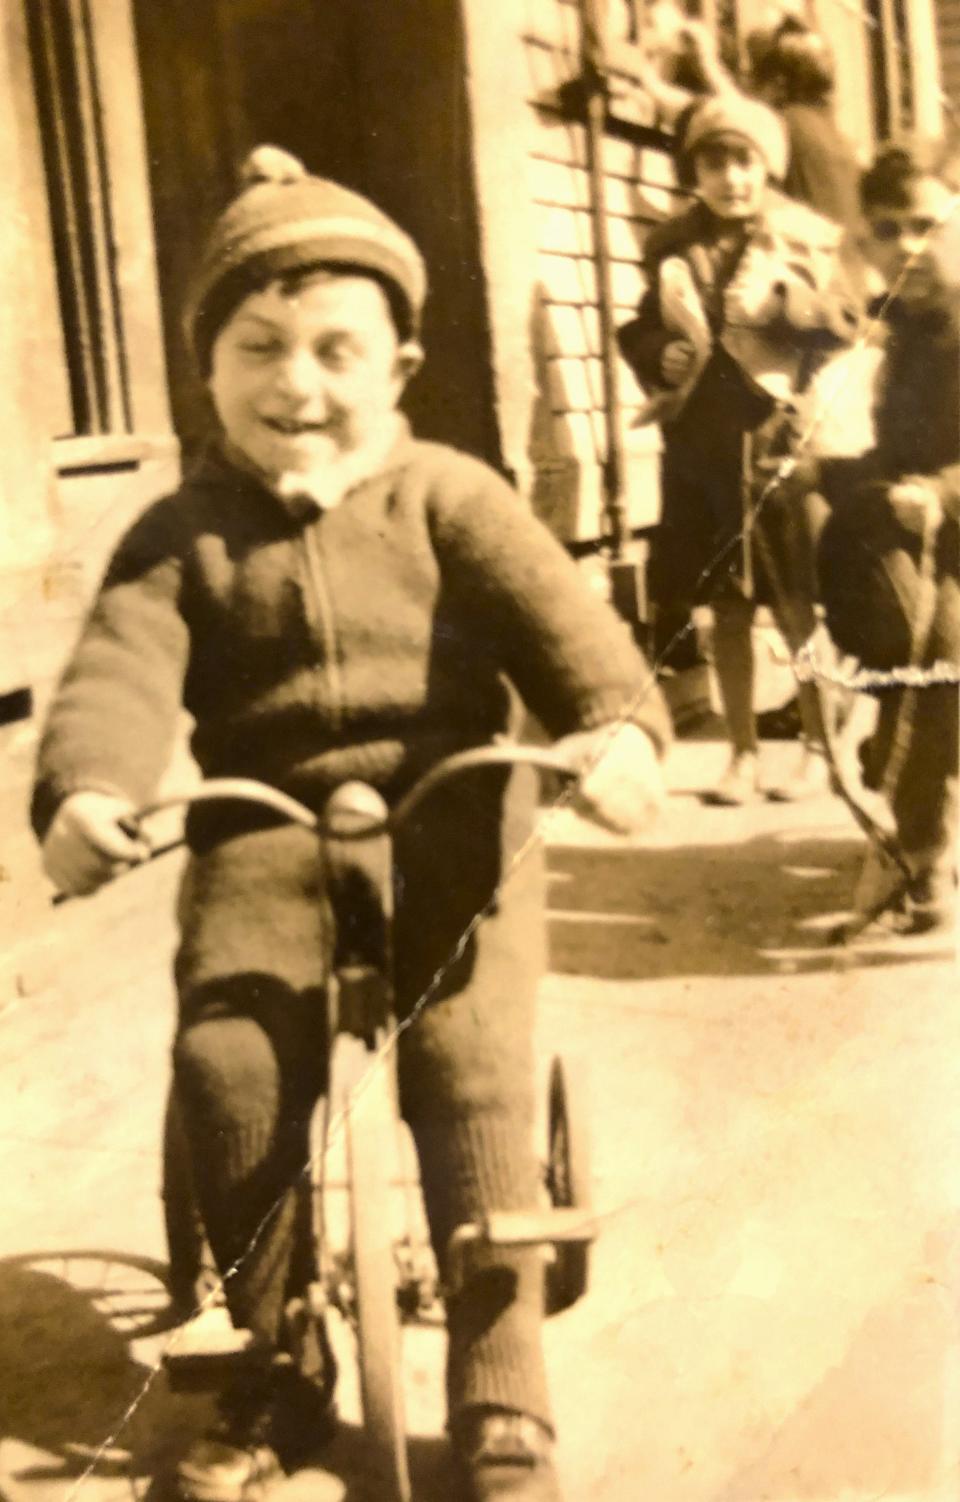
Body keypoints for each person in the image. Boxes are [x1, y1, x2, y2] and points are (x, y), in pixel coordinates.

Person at [31, 148, 671, 1502]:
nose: (296, 385)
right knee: (231, 1066)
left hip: (449, 815)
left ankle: (503, 1394)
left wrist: (613, 731)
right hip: (261, 831)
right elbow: (118, 674)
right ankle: (275, 1377)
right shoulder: (178, 533)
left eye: (335, 348)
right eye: (257, 349)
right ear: (205, 369)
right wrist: (89, 788)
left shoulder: (453, 496)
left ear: (400, 363)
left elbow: (570, 633)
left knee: (471, 1070)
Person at [617, 94, 859, 804]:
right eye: (713, 162)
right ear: (693, 171)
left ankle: (818, 746)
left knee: (795, 603)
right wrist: (655, 349)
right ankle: (743, 753)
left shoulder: (804, 239)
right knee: (725, 605)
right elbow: (638, 325)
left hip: (777, 439)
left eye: (744, 161)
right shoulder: (671, 243)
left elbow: (848, 320)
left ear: (769, 168)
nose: (730, 177)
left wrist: (808, 314)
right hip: (701, 443)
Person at [812, 143, 959, 934]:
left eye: (927, 226)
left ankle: (920, 826)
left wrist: (940, 492)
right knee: (914, 634)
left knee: (943, 647)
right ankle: (919, 824)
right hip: (920, 532)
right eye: (888, 231)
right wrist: (820, 470)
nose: (909, 245)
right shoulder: (890, 332)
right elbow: (884, 451)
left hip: (948, 520)